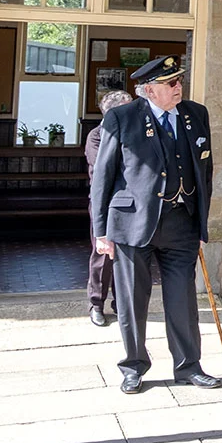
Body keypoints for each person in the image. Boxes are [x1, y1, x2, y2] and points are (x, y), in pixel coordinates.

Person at [91, 55, 222, 394]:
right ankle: (133, 366)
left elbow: (204, 171)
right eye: (171, 83)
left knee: (183, 300)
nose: (179, 87)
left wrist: (201, 224)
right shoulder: (122, 118)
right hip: (133, 224)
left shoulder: (196, 115)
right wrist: (101, 231)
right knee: (133, 300)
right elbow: (103, 178)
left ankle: (189, 366)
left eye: (179, 81)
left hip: (182, 222)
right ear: (149, 90)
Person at [86, 89, 134, 327]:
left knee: (125, 254)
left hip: (127, 203)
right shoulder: (97, 136)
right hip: (104, 203)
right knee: (102, 255)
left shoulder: (132, 133)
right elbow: (102, 172)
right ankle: (96, 304)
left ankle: (120, 304)